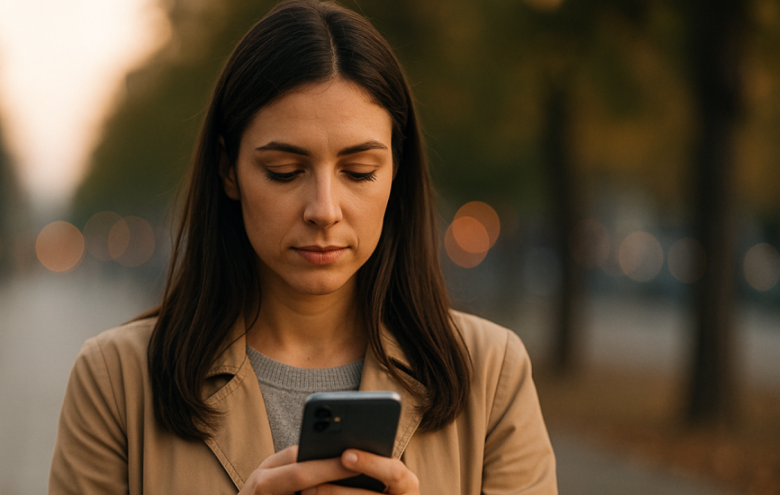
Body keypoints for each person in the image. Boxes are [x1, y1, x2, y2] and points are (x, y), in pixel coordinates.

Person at [49, 1, 557, 493]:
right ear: (228, 169)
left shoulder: (490, 375)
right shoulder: (116, 379)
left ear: (396, 173)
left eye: (359, 172)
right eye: (285, 172)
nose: (324, 209)